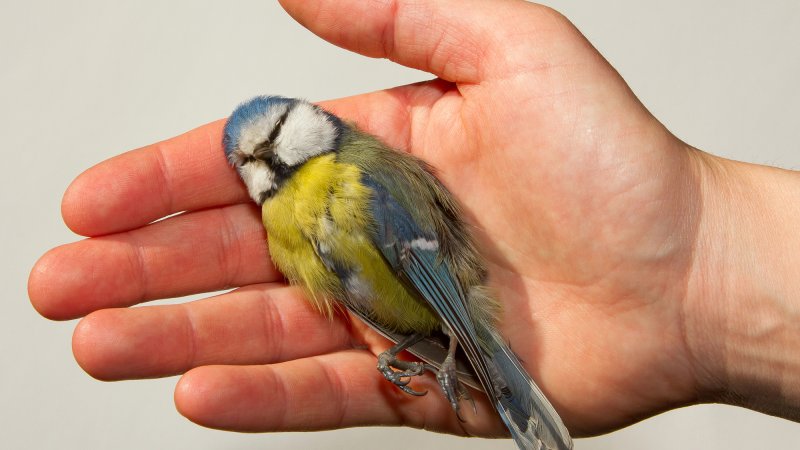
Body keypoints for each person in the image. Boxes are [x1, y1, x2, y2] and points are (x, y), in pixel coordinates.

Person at [27, 0, 800, 439]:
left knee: (485, 371)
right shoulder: (280, 220)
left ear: (307, 121)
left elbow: (428, 272)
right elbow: (357, 290)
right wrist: (424, 350)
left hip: (447, 305)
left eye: (273, 140)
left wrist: (460, 343)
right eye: (250, 164)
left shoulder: (358, 173)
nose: (265, 163)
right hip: (421, 324)